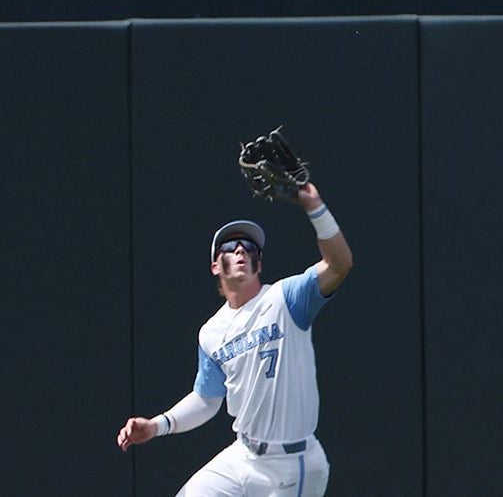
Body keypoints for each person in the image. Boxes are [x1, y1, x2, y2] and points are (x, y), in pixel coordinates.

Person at [117, 182, 353, 496]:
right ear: (216, 266)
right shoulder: (211, 332)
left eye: (249, 247)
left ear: (260, 263)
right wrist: (156, 425)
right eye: (230, 247)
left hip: (292, 464)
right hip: (243, 456)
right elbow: (207, 399)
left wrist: (315, 207)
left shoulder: (287, 299)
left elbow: (340, 264)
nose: (241, 250)